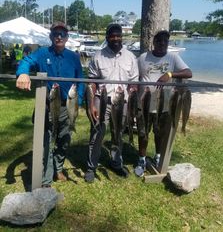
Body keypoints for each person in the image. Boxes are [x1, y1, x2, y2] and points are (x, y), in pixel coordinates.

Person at [16, 21, 85, 187]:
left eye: (62, 34)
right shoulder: (41, 53)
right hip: (47, 106)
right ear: (51, 36)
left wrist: (78, 102)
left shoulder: (73, 57)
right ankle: (46, 179)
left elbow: (81, 80)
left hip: (67, 105)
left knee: (64, 139)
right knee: (47, 141)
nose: (59, 37)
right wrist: (23, 73)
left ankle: (58, 168)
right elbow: (26, 61)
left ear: (67, 37)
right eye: (56, 34)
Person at [84, 23, 139, 183]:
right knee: (97, 133)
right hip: (102, 100)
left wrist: (133, 99)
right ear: (107, 37)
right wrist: (92, 104)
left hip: (122, 102)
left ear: (122, 36)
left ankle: (116, 162)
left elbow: (134, 82)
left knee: (118, 134)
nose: (116, 38)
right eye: (112, 35)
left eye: (118, 35)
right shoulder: (98, 56)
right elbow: (92, 82)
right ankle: (91, 167)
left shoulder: (130, 57)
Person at [134, 30, 192, 177]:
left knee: (160, 134)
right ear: (154, 42)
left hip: (165, 105)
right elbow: (134, 75)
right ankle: (141, 159)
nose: (162, 44)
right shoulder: (142, 58)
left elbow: (188, 73)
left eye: (165, 42)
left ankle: (158, 157)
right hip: (144, 104)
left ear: (168, 43)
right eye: (159, 41)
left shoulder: (173, 57)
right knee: (143, 133)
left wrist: (170, 74)